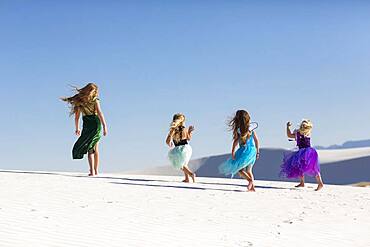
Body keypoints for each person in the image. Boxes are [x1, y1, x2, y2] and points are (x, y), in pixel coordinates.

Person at [61, 83, 108, 176]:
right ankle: (92, 171)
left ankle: (94, 170)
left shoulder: (96, 101)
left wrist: (104, 126)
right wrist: (77, 128)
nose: (92, 93)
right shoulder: (80, 102)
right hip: (86, 124)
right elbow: (77, 117)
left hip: (95, 124)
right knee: (90, 147)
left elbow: (100, 113)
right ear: (86, 90)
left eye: (93, 91)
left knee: (93, 147)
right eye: (90, 90)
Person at [219, 110, 260, 191]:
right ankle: (252, 188)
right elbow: (256, 140)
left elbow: (235, 142)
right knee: (249, 170)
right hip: (252, 151)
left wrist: (233, 152)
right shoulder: (251, 129)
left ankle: (250, 181)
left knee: (239, 169)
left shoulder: (239, 130)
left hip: (244, 151)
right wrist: (257, 151)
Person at [280, 120, 324, 191]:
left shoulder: (298, 132)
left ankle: (318, 183)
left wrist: (288, 127)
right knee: (307, 167)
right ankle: (304, 182)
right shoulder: (307, 133)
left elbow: (289, 135)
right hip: (310, 152)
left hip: (303, 152)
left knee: (304, 167)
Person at [166, 113, 196, 183]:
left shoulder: (173, 129)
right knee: (184, 163)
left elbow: (167, 140)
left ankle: (191, 174)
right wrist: (190, 132)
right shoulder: (185, 129)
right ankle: (187, 179)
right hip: (187, 148)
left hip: (179, 149)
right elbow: (188, 138)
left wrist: (169, 142)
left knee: (179, 163)